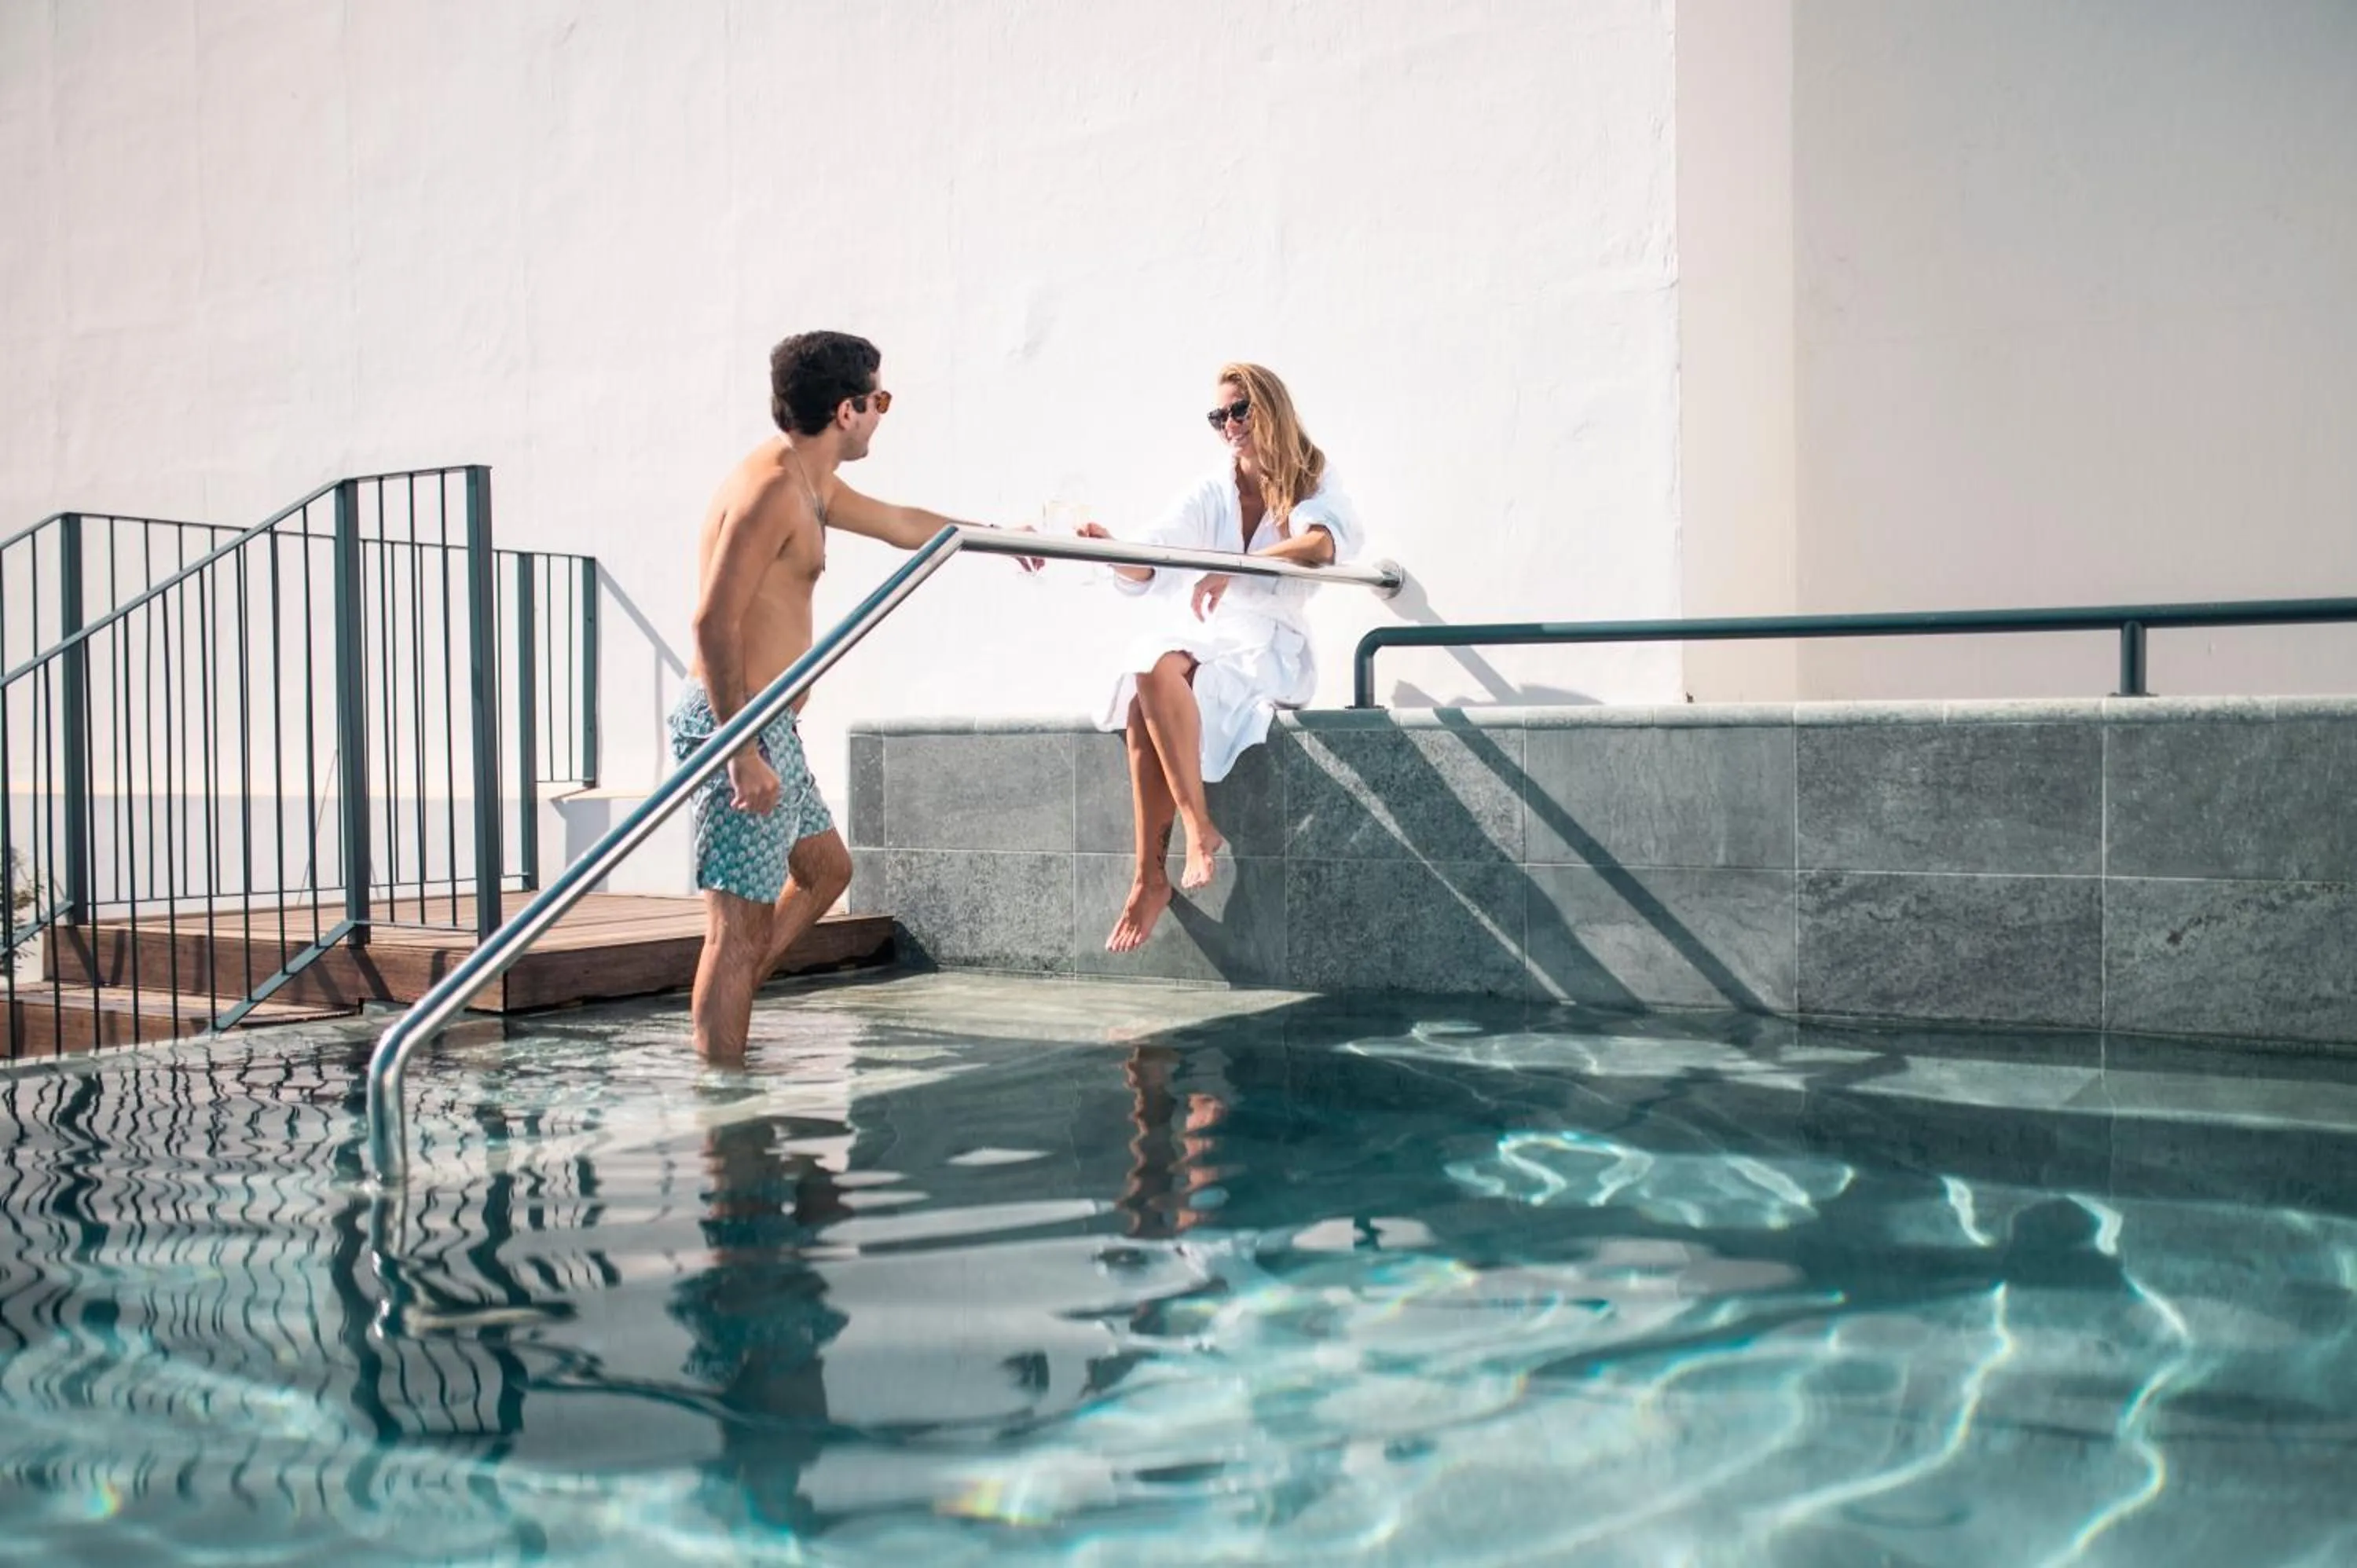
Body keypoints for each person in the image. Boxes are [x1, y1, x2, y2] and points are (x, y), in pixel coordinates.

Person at [676, 330, 1032, 1060]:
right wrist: (739, 749)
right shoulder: (771, 489)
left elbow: (902, 525)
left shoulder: (811, 483)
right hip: (735, 723)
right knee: (734, 930)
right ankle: (723, 1104)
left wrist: (998, 536)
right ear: (848, 409)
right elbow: (712, 618)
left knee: (827, 873)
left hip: (769, 725)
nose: (882, 414)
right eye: (881, 400)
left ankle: (728, 1012)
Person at [1080, 362, 1364, 954]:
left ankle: (1152, 875)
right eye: (1219, 416)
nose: (1229, 425)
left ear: (1269, 407)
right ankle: (1191, 830)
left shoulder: (1311, 474)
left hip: (1271, 645)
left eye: (1240, 410)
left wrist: (1234, 572)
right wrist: (1111, 552)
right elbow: (1153, 555)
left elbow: (1323, 543)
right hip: (1213, 636)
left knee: (1143, 705)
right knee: (1148, 666)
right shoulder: (1213, 488)